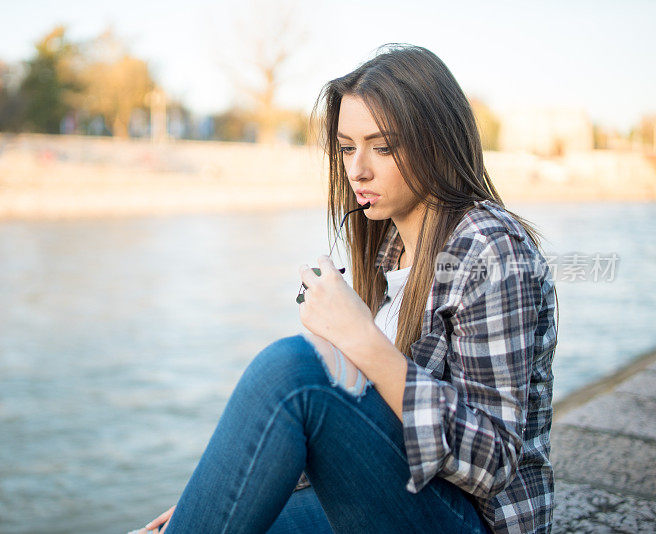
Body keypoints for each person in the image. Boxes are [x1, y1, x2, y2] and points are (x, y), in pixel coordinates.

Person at [131, 43, 559, 534]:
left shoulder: (490, 249)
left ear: (436, 141)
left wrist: (362, 340)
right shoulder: (391, 251)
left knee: (291, 371)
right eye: (347, 147)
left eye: (383, 146)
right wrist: (214, 500)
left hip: (474, 521)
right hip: (398, 493)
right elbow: (367, 427)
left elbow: (495, 462)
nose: (357, 169)